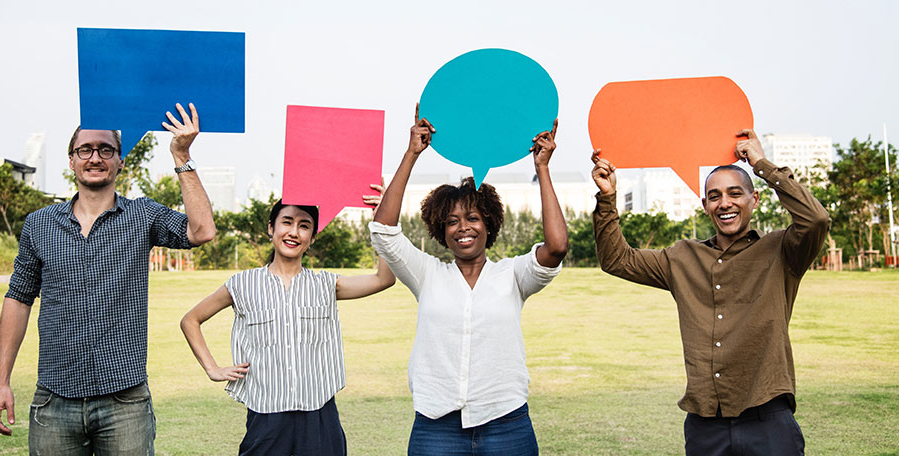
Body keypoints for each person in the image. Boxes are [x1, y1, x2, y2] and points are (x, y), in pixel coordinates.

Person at [0, 103, 216, 454]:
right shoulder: (39, 225)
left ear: (120, 160)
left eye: (105, 149)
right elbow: (18, 299)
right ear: (71, 160)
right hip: (54, 401)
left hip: (124, 404)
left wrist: (181, 154)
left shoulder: (143, 215)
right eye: (85, 149)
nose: (95, 157)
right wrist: (1, 382)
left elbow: (201, 231)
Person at [591, 129, 830, 456]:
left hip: (768, 418)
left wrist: (761, 164)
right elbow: (617, 260)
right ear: (705, 205)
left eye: (735, 193)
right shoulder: (681, 258)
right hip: (705, 425)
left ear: (753, 200)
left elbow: (816, 219)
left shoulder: (783, 251)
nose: (725, 203)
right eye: (715, 196)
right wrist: (607, 198)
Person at [370, 105, 568, 455]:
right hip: (436, 427)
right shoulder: (427, 274)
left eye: (473, 217)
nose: (463, 227)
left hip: (506, 423)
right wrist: (412, 153)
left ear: (488, 224)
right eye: (451, 221)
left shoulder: (513, 276)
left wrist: (542, 168)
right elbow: (384, 233)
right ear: (440, 231)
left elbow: (556, 247)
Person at [180, 193, 395, 456]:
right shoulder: (242, 284)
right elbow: (191, 320)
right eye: (287, 222)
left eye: (304, 226)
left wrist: (383, 220)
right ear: (271, 228)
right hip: (266, 419)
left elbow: (384, 279)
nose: (294, 232)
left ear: (312, 237)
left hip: (320, 416)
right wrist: (211, 368)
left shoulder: (326, 285)